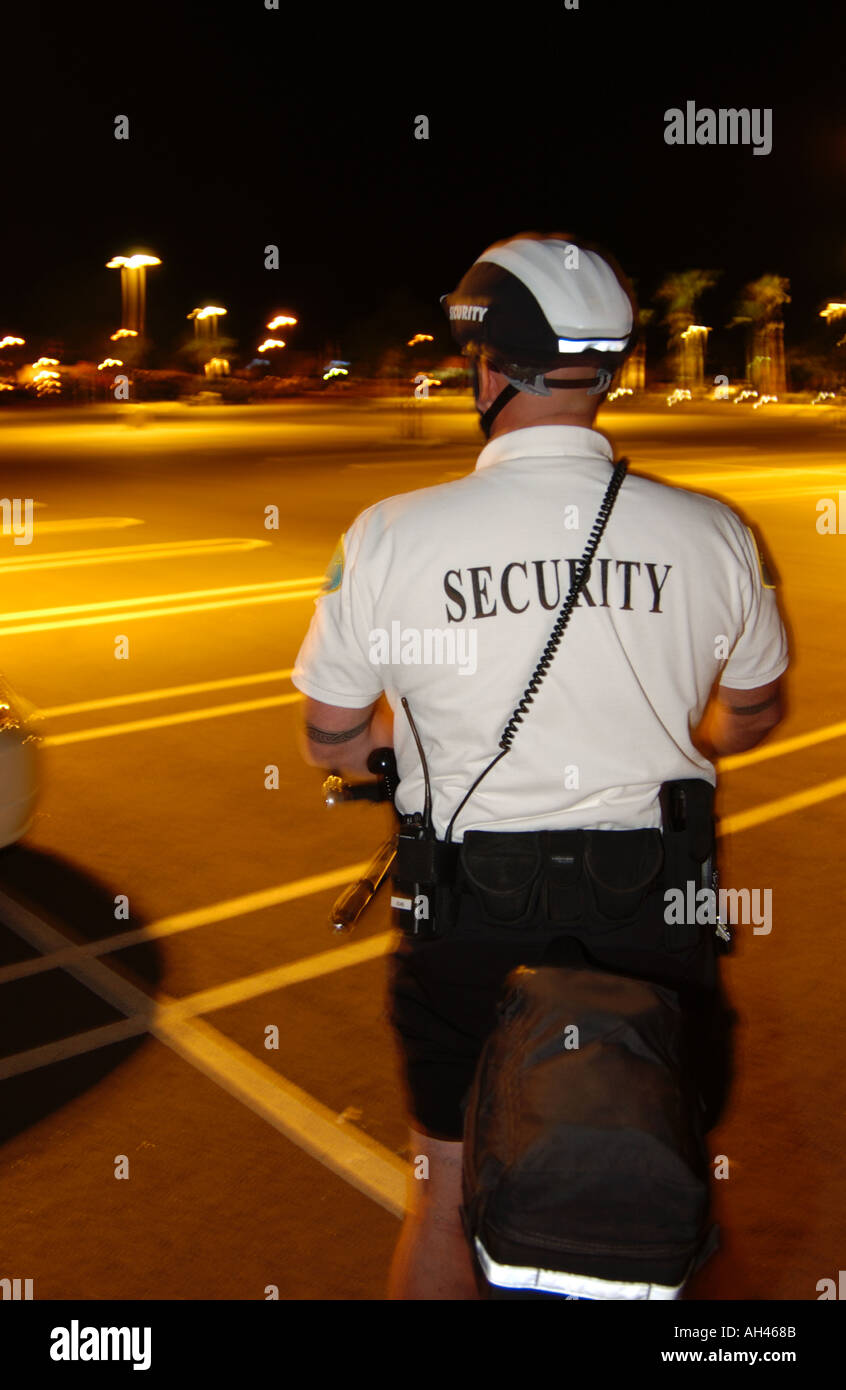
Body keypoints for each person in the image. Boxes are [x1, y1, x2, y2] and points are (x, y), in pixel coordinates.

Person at [291, 232, 789, 1300]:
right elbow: (753, 709)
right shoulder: (716, 532)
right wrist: (680, 741)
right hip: (655, 913)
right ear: (605, 370)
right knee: (674, 1188)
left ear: (487, 366)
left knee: (446, 1192)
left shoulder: (390, 535)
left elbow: (331, 736)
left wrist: (396, 752)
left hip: (471, 913)